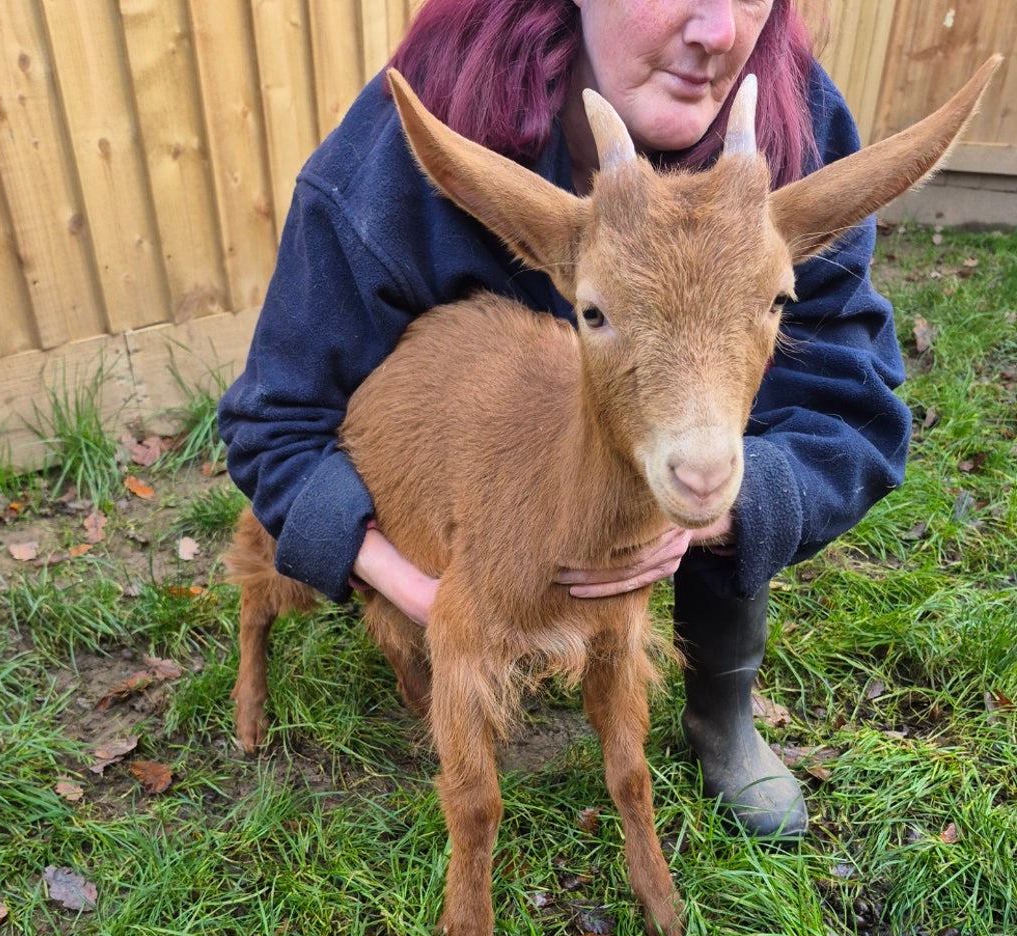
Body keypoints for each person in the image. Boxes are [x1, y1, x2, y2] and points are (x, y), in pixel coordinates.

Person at [218, 0, 911, 840]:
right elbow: (276, 425)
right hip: (463, 473)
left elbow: (850, 397)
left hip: (673, 469)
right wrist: (416, 586)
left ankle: (720, 705)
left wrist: (726, 507)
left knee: (712, 458)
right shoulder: (395, 149)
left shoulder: (792, 121)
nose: (721, 31)